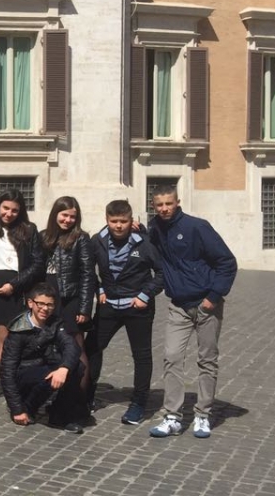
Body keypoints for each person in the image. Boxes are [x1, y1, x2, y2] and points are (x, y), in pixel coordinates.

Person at [147, 188, 238, 439]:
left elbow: (227, 262)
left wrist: (213, 297)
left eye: (169, 203)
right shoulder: (154, 229)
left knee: (207, 360)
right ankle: (172, 417)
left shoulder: (197, 227)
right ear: (153, 206)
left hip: (206, 304)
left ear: (178, 202)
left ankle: (202, 414)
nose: (164, 208)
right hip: (178, 305)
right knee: (172, 357)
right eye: (159, 205)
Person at [86, 199, 163, 426]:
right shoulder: (97, 241)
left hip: (137, 307)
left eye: (123, 221)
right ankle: (86, 395)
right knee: (92, 348)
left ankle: (138, 403)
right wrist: (99, 289)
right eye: (114, 221)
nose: (119, 226)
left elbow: (161, 273)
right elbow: (88, 269)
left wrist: (145, 295)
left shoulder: (144, 243)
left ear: (131, 221)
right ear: (106, 220)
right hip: (108, 305)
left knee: (141, 355)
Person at [0, 283, 86, 433]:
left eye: (50, 305)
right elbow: (7, 371)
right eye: (41, 304)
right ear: (30, 303)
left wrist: (64, 368)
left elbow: (72, 346)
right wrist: (16, 409)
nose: (45, 309)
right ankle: (28, 407)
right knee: (50, 375)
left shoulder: (56, 323)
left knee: (77, 366)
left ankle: (59, 415)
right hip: (24, 374)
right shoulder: (18, 330)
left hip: (46, 367)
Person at [0, 191, 46, 361]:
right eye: (5, 208)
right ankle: (7, 377)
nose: (9, 213)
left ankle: (23, 375)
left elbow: (38, 263)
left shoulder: (29, 229)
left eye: (14, 210)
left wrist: (14, 284)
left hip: (21, 288)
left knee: (25, 340)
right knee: (5, 340)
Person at [39, 195, 95, 393]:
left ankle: (80, 396)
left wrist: (85, 308)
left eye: (72, 217)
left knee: (76, 347)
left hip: (70, 299)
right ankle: (57, 393)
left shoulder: (81, 238)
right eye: (64, 215)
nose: (68, 220)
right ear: (55, 214)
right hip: (48, 298)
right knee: (51, 345)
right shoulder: (44, 236)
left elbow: (88, 274)